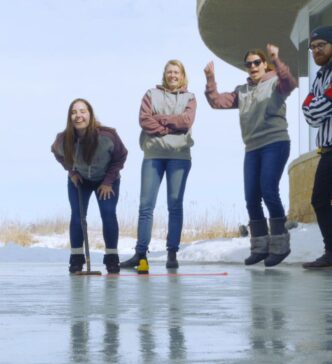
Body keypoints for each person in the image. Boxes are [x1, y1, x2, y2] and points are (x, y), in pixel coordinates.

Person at [204, 44, 297, 267]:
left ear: (264, 64)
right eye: (249, 64)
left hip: (275, 142)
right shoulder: (241, 91)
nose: (253, 66)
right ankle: (260, 247)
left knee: (268, 190)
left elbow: (290, 83)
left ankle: (280, 245)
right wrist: (210, 79)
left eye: (257, 62)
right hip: (252, 148)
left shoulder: (276, 82)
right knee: (251, 197)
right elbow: (217, 101)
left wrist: (277, 59)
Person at [121, 60, 196, 270]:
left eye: (177, 72)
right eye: (169, 72)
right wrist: (169, 127)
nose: (173, 75)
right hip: (153, 155)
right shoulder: (150, 95)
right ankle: (140, 254)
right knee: (146, 206)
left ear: (182, 75)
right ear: (165, 74)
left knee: (175, 205)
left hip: (180, 157)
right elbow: (144, 120)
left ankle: (172, 253)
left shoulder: (190, 98)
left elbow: (186, 122)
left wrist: (160, 120)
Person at [52, 98, 127, 274]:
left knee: (108, 214)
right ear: (69, 117)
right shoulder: (63, 139)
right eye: (74, 112)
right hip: (81, 180)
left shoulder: (107, 136)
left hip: (107, 180)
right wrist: (72, 172)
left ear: (90, 114)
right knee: (78, 216)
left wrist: (108, 181)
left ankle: (111, 258)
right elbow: (57, 153)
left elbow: (121, 156)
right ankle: (77, 259)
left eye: (82, 111)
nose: (78, 116)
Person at [302, 26, 332, 269]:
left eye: (321, 44)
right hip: (327, 150)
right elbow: (310, 113)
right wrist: (320, 103)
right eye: (313, 47)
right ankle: (331, 251)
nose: (316, 50)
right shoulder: (320, 77)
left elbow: (319, 107)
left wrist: (319, 103)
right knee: (319, 200)